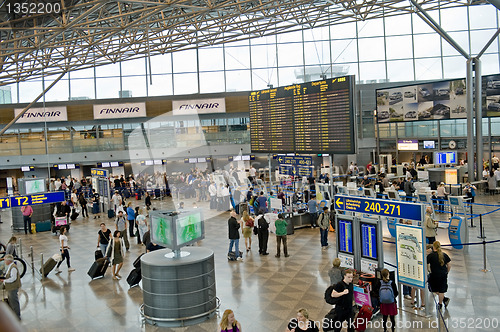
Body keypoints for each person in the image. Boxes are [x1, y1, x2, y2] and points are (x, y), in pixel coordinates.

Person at [427, 241, 451, 310]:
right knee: (441, 290)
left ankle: (444, 300)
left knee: (434, 289)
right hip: (443, 275)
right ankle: (441, 303)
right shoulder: (444, 255)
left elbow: (427, 265)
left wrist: (429, 271)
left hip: (434, 275)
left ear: (433, 247)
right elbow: (449, 265)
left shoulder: (431, 256)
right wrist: (447, 272)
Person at [1, 254, 21, 319]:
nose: (4, 262)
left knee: (14, 302)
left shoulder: (13, 268)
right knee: (11, 301)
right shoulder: (10, 266)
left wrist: (4, 281)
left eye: (5, 260)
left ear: (8, 261)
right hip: (10, 287)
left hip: (13, 287)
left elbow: (13, 278)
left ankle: (17, 316)